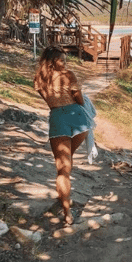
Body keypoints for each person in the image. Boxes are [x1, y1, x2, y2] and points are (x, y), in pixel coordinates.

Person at [33, 46, 94, 225]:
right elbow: (80, 99)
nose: (65, 64)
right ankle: (66, 203)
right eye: (62, 60)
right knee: (67, 164)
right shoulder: (69, 75)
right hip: (78, 119)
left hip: (57, 119)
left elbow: (49, 102)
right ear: (52, 61)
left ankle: (66, 212)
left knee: (63, 168)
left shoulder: (38, 80)